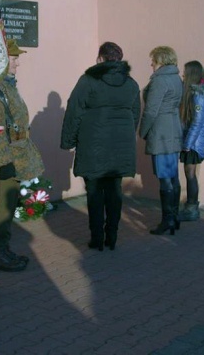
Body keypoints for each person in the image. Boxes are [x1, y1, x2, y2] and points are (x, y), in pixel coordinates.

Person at [60, 42, 141, 251]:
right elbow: (134, 115)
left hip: (92, 144)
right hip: (119, 147)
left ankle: (97, 238)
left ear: (100, 58)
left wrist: (68, 141)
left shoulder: (88, 81)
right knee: (114, 190)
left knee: (94, 192)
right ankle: (111, 236)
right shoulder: (131, 84)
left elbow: (74, 111)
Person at [0, 39, 45, 271]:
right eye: (13, 58)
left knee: (6, 206)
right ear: (0, 60)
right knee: (2, 206)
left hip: (13, 154)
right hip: (3, 157)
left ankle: (2, 248)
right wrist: (4, 161)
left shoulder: (7, 85)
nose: (17, 63)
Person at [139, 46, 183, 236]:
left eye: (153, 60)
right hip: (174, 128)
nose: (151, 64)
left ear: (161, 61)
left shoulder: (160, 80)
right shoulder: (176, 78)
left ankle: (168, 220)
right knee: (173, 175)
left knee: (165, 177)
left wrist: (142, 131)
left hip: (161, 131)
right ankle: (174, 217)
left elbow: (151, 110)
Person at [178, 60, 204, 221]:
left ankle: (192, 208)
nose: (183, 75)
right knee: (190, 174)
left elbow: (197, 122)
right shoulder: (201, 93)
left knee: (190, 174)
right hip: (194, 142)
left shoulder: (198, 95)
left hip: (193, 144)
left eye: (185, 72)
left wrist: (187, 144)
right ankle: (191, 206)